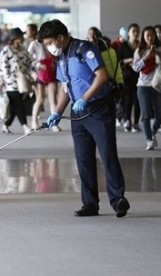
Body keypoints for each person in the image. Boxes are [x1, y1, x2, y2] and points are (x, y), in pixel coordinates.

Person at [38, 19, 130, 217]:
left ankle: (118, 199)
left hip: (98, 108)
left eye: (49, 43)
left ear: (60, 38)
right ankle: (90, 203)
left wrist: (84, 98)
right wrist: (57, 112)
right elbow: (65, 88)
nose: (49, 48)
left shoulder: (84, 49)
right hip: (78, 114)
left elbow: (102, 75)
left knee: (107, 155)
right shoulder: (61, 58)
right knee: (83, 159)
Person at [0, 27, 35, 134]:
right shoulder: (7, 49)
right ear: (15, 38)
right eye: (21, 36)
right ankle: (25, 126)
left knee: (14, 105)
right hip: (10, 82)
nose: (22, 38)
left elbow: (29, 62)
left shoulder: (23, 49)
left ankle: (6, 125)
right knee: (18, 104)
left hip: (22, 82)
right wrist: (3, 80)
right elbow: (3, 65)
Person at [132, 26, 161, 150]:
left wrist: (158, 54)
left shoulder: (159, 49)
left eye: (152, 35)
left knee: (159, 115)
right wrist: (146, 57)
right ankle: (149, 140)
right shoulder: (139, 50)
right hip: (143, 87)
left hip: (157, 86)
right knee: (146, 114)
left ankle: (153, 131)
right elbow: (135, 68)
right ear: (143, 37)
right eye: (147, 35)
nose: (150, 38)